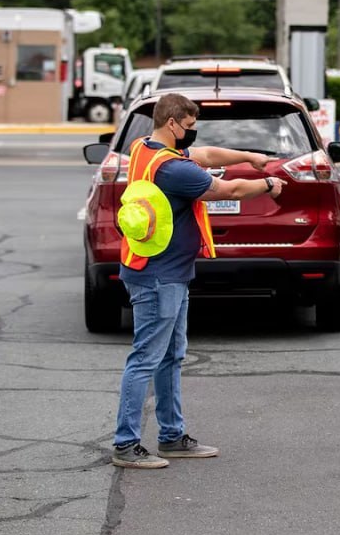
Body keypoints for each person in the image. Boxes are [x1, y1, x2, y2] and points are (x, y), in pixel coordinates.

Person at [111, 93, 285, 469]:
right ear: (172, 123)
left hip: (165, 271)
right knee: (146, 358)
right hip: (158, 276)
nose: (193, 132)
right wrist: (267, 183)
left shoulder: (145, 149)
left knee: (170, 357)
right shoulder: (172, 169)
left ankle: (172, 437)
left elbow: (204, 154)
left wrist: (248, 157)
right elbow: (228, 191)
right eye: (189, 126)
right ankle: (126, 444)